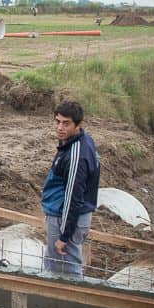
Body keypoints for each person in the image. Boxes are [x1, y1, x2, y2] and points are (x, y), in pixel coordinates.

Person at [41, 100, 100, 277]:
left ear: (78, 125)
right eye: (57, 121)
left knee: (66, 273)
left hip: (64, 220)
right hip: (65, 216)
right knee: (54, 266)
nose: (60, 127)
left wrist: (64, 237)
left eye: (66, 123)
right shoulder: (79, 141)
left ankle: (67, 303)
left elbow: (73, 198)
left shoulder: (77, 155)